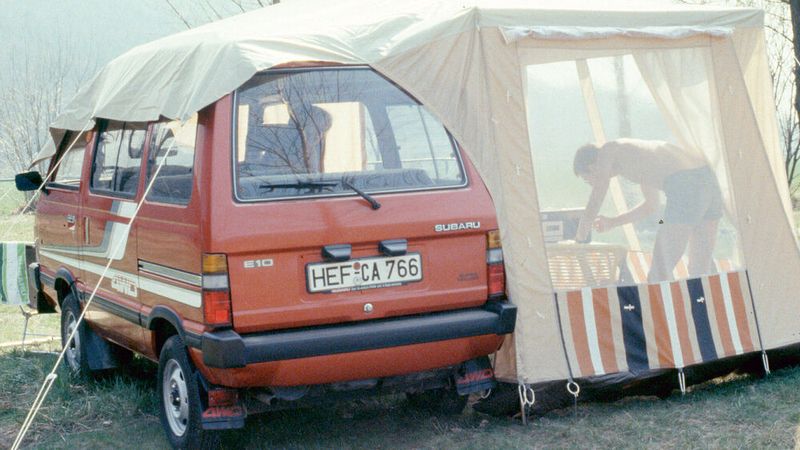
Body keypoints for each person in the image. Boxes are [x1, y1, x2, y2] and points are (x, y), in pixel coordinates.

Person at [573, 138, 723, 282]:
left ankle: (663, 307)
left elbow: (596, 199)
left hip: (685, 186)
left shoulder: (608, 150)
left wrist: (579, 239)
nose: (591, 184)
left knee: (658, 275)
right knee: (700, 272)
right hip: (709, 180)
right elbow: (651, 205)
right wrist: (613, 222)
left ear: (592, 168)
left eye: (588, 180)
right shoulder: (636, 157)